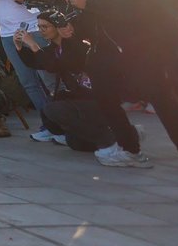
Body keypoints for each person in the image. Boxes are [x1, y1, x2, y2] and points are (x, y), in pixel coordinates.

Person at [59, 0, 178, 169]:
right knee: (104, 96)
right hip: (106, 50)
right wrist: (72, 30)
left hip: (142, 46)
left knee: (160, 96)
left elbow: (132, 12)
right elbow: (89, 23)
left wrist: (88, 4)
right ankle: (130, 149)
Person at [14, 11, 113, 151]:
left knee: (54, 109)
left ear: (58, 27)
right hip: (79, 97)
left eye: (45, 27)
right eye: (39, 27)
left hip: (94, 98)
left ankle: (108, 137)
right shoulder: (53, 48)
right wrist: (19, 47)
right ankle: (89, 134)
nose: (41, 30)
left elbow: (54, 65)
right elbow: (36, 62)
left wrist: (33, 45)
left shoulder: (77, 45)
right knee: (74, 142)